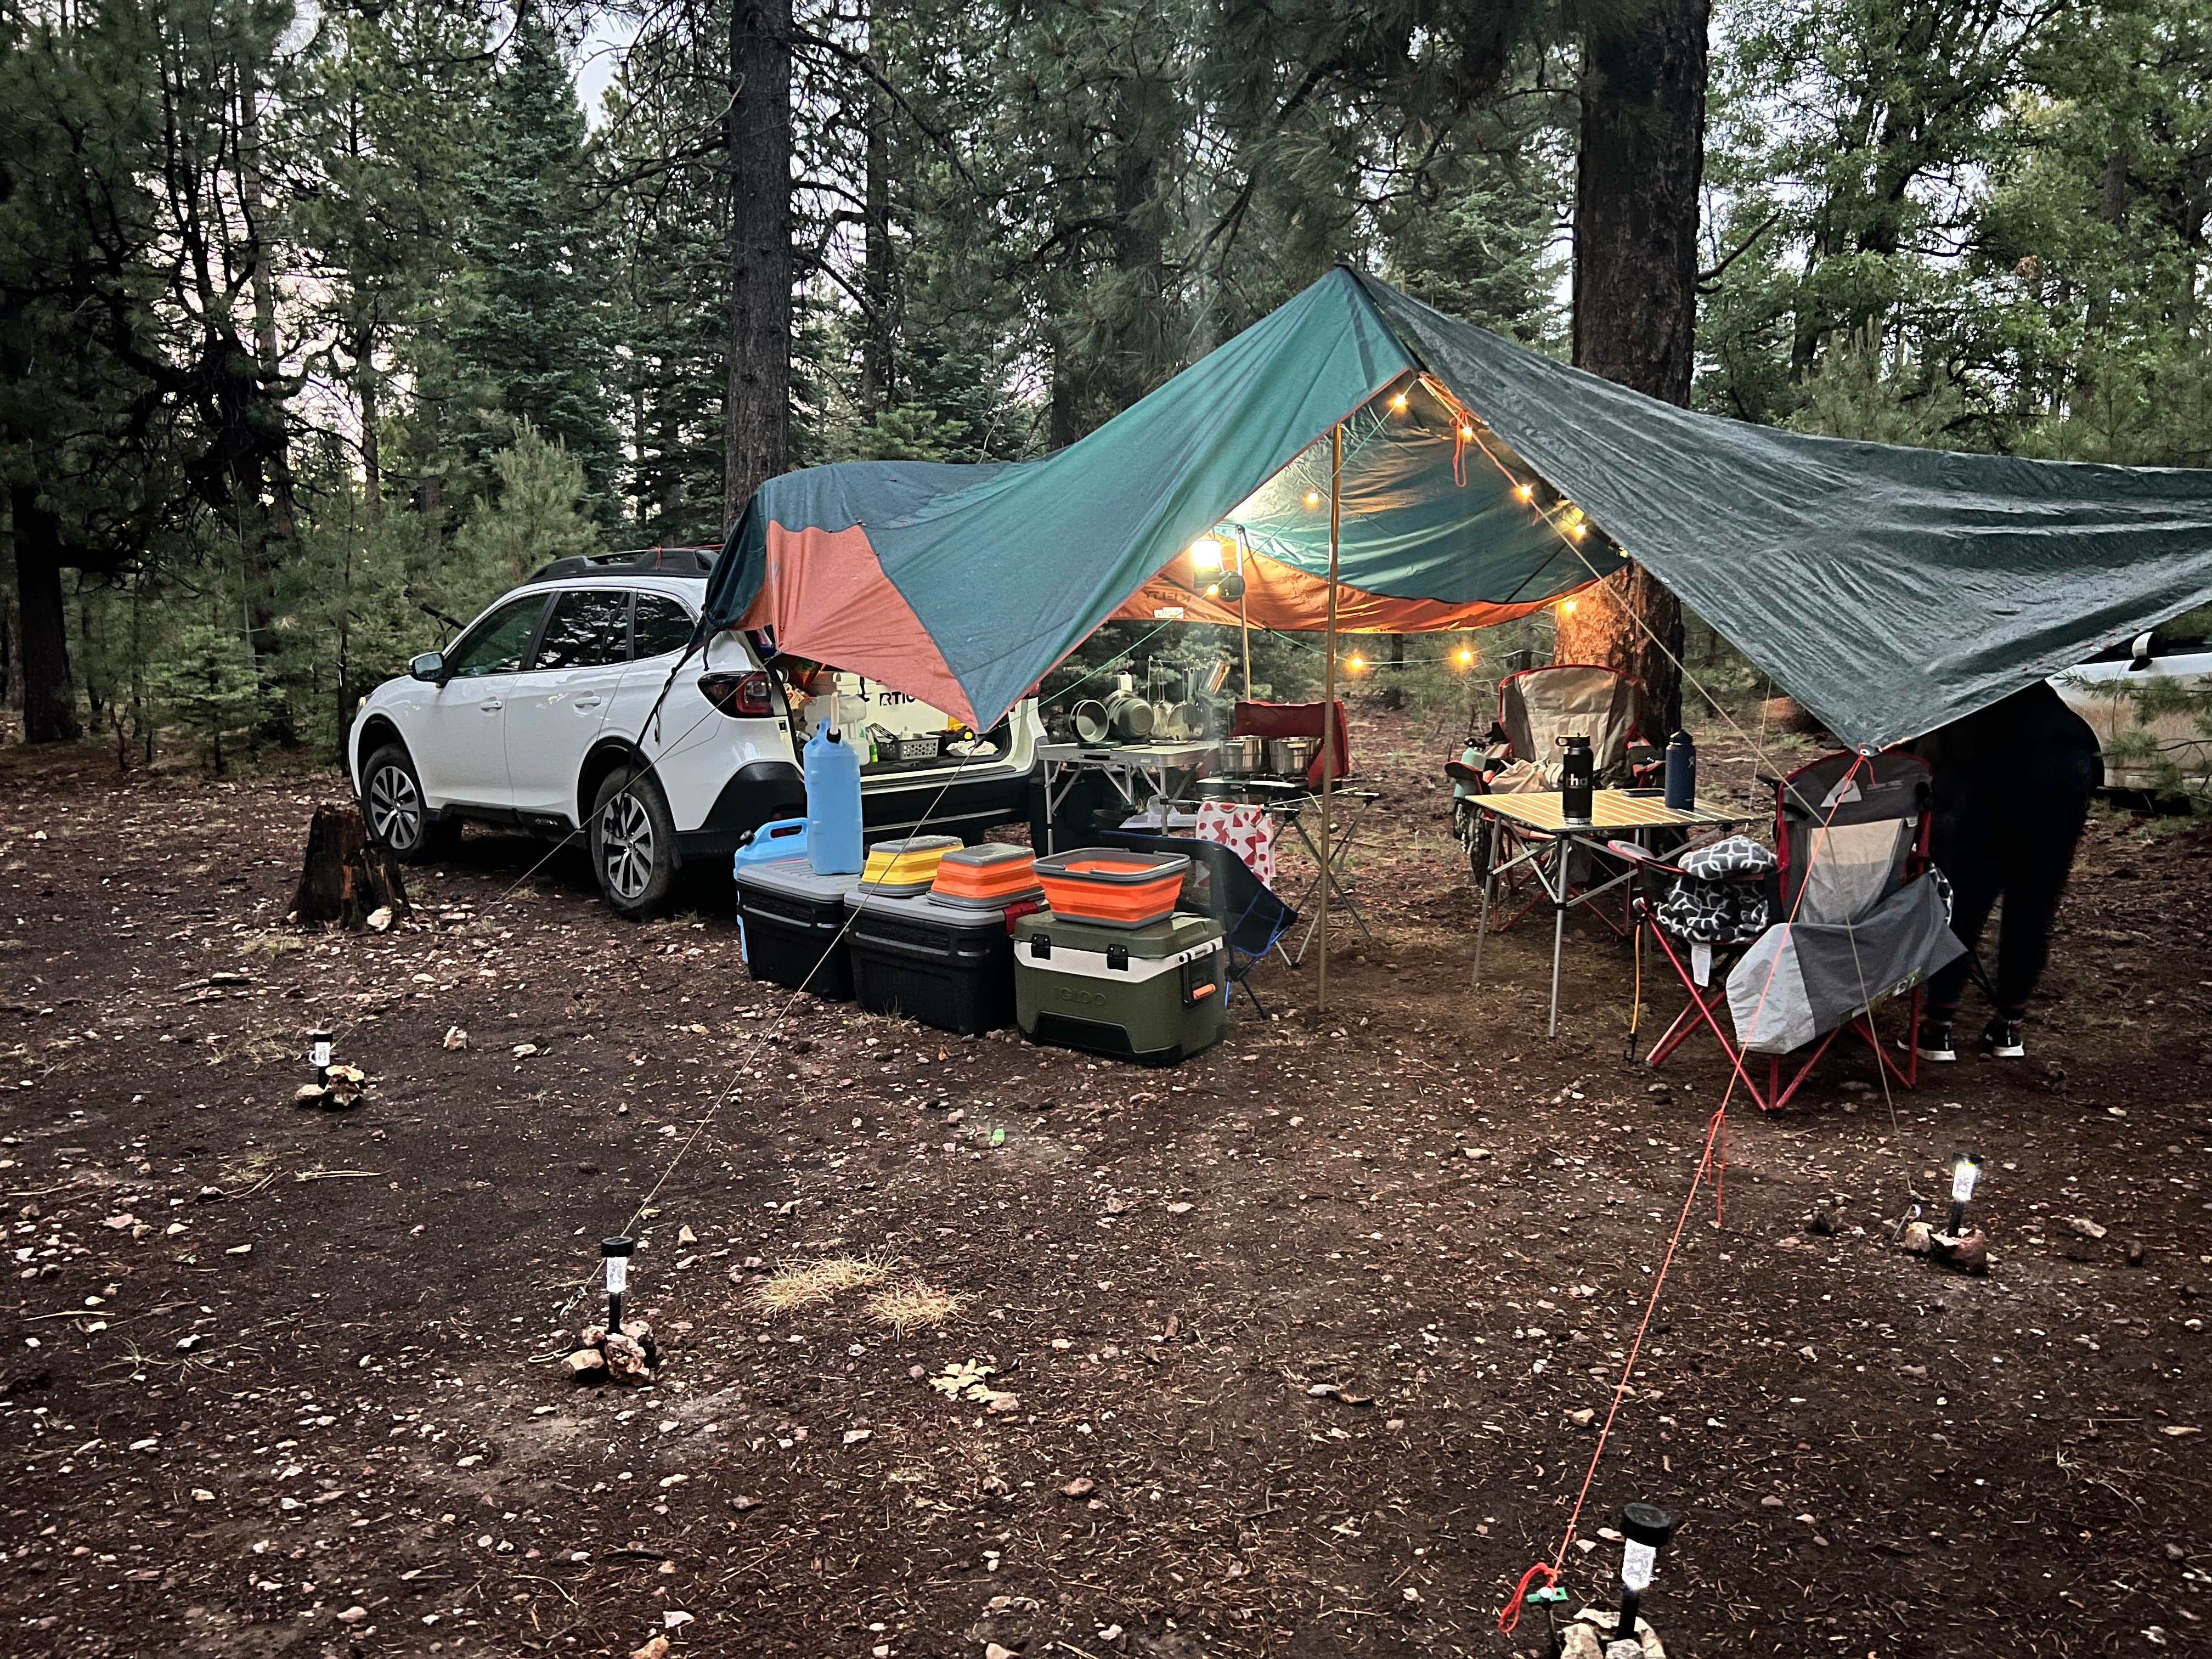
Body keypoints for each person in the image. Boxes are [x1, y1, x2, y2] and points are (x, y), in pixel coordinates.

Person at [1914, 681, 2102, 1060]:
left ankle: (1938, 1029)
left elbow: (1926, 771)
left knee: (1963, 906)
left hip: (1987, 800)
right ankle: (2009, 1028)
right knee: (2033, 912)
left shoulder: (1966, 700)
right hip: (2059, 799)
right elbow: (2091, 768)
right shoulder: (2055, 712)